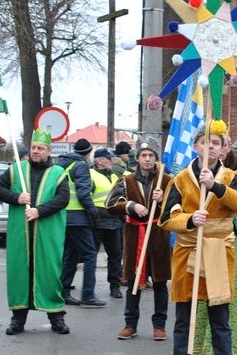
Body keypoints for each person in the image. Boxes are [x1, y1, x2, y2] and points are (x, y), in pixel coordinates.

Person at [159, 125, 237, 355]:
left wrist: (215, 187)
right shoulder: (180, 180)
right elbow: (166, 218)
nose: (211, 147)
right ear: (196, 146)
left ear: (223, 148)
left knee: (220, 320)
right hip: (188, 251)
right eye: (206, 142)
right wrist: (189, 219)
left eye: (216, 143)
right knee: (184, 319)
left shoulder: (233, 177)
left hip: (218, 253)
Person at [0, 129, 71, 335]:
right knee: (19, 273)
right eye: (34, 147)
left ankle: (56, 317)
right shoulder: (17, 169)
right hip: (21, 233)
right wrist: (16, 197)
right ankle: (18, 319)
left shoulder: (58, 173)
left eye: (40, 148)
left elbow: (63, 200)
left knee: (50, 273)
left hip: (48, 233)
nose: (36, 151)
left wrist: (39, 211)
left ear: (48, 151)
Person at [106, 136, 173, 341]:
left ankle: (159, 325)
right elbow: (110, 204)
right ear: (137, 158)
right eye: (143, 155)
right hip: (135, 236)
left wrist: (163, 201)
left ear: (156, 158)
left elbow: (178, 207)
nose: (147, 159)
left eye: (150, 155)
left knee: (160, 283)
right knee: (132, 282)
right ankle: (130, 324)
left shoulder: (167, 180)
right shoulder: (127, 180)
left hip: (158, 236)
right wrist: (131, 206)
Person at [57, 138, 105, 307]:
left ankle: (63, 292)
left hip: (64, 216)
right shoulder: (81, 165)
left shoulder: (63, 164)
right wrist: (93, 212)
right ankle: (88, 295)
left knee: (70, 255)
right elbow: (83, 193)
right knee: (90, 254)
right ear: (89, 152)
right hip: (78, 217)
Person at [90, 148, 123, 299]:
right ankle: (89, 289)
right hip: (97, 222)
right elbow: (86, 198)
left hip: (114, 221)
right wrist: (94, 215)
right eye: (108, 159)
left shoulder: (115, 175)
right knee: (91, 257)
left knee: (115, 255)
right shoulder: (91, 175)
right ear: (99, 160)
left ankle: (114, 286)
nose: (111, 161)